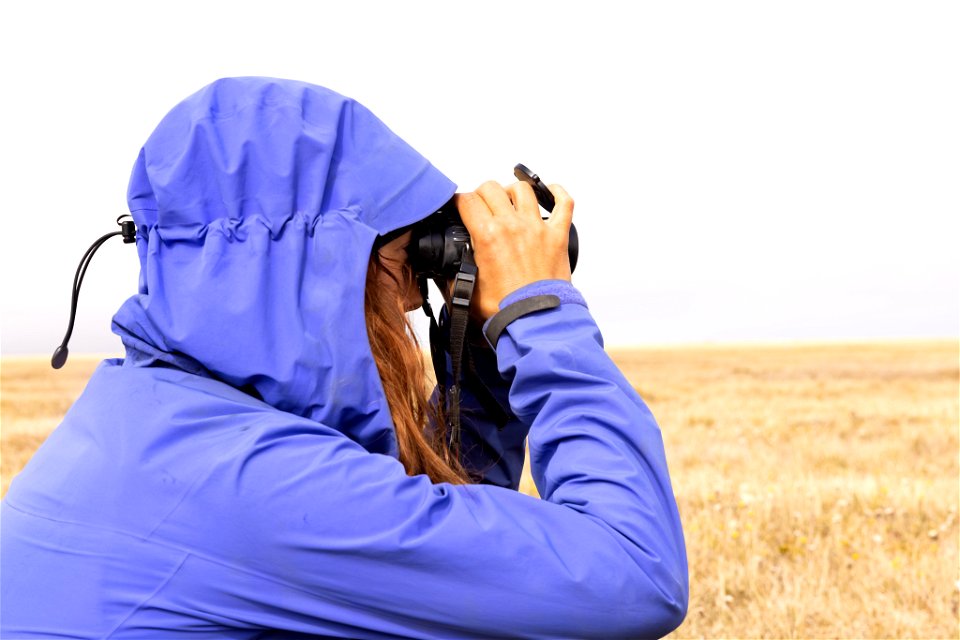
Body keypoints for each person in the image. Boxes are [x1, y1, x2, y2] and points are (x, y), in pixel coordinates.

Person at [1, 77, 688, 638]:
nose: (416, 305)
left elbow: (448, 550)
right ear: (315, 268)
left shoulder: (151, 421)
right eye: (399, 262)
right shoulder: (252, 483)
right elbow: (635, 571)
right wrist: (538, 313)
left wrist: (479, 359)